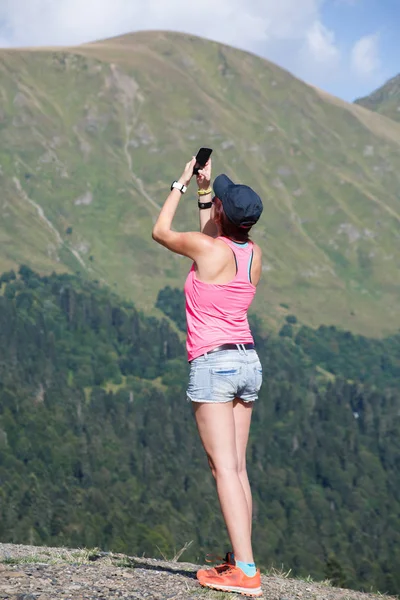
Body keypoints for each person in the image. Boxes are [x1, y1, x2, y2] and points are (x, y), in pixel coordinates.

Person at [152, 155, 263, 597]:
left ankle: (246, 572)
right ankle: (242, 560)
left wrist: (179, 184)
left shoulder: (210, 250)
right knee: (237, 468)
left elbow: (161, 232)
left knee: (224, 471)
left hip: (213, 363)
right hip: (247, 360)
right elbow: (211, 239)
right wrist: (205, 193)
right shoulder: (251, 252)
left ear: (222, 213)